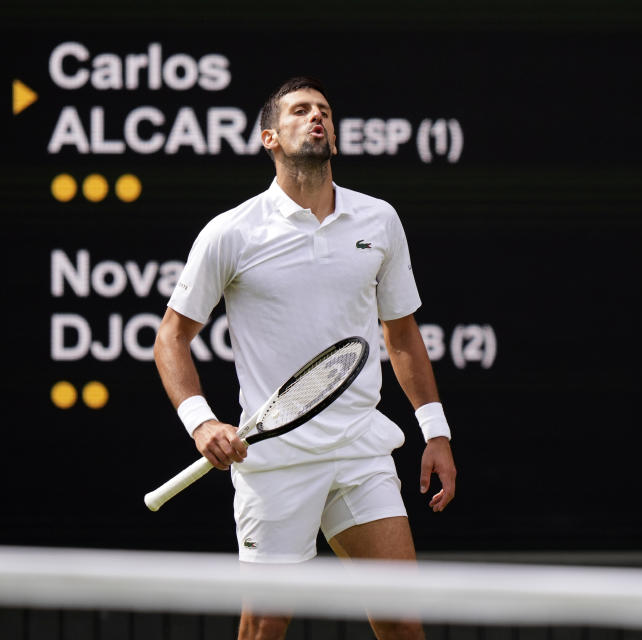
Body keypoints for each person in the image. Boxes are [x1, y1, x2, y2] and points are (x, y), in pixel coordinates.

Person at [153, 76, 457, 640]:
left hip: (361, 450)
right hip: (275, 463)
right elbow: (170, 338)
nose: (316, 117)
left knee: (401, 621)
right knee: (265, 626)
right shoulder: (231, 232)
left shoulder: (379, 221)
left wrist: (434, 432)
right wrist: (202, 423)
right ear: (269, 136)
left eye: (324, 111)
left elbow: (403, 334)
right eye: (299, 111)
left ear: (334, 138)